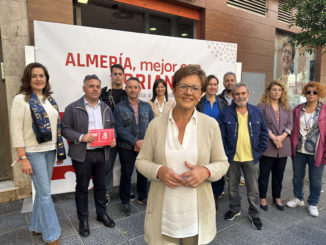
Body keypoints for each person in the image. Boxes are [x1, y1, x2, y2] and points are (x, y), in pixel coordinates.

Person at [136, 65, 229, 245]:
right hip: (164, 217)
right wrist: (158, 170)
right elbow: (141, 161)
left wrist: (206, 172)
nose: (188, 92)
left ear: (202, 93)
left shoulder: (210, 125)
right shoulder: (156, 125)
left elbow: (222, 163)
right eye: (183, 86)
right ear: (174, 89)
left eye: (195, 88)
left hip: (196, 217)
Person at [10, 62, 66, 245]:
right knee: (44, 194)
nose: (39, 79)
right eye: (34, 76)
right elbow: (16, 131)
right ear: (28, 78)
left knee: (43, 192)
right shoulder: (21, 99)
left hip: (50, 150)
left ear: (46, 78)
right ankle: (52, 235)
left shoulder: (50, 100)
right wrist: (23, 158)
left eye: (42, 75)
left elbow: (57, 126)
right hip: (33, 153)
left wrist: (58, 150)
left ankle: (36, 225)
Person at [62, 74, 116, 237]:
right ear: (84, 88)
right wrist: (81, 137)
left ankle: (101, 214)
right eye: (91, 86)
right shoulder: (73, 107)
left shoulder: (105, 108)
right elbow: (65, 129)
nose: (95, 89)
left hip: (102, 154)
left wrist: (113, 139)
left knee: (100, 186)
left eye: (98, 86)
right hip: (82, 154)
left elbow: (112, 126)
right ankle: (83, 220)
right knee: (82, 188)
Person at [218, 82, 268, 230]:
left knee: (253, 189)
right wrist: (226, 154)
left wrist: (258, 153)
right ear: (232, 96)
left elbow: (264, 133)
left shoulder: (256, 111)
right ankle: (234, 209)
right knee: (232, 187)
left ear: (248, 94)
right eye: (237, 94)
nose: (240, 96)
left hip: (251, 158)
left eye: (243, 93)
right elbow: (220, 136)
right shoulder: (226, 112)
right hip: (232, 158)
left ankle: (254, 213)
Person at [113, 77, 154, 216]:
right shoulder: (119, 108)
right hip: (126, 146)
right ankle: (125, 201)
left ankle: (143, 197)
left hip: (144, 146)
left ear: (140, 89)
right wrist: (135, 142)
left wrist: (144, 142)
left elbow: (152, 125)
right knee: (126, 174)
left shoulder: (146, 106)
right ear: (126, 89)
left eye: (135, 87)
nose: (133, 90)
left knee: (143, 172)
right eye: (130, 87)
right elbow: (119, 128)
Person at [286, 82, 326, 217]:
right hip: (299, 150)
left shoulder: (324, 111)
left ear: (319, 94)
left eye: (315, 92)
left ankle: (313, 203)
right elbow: (291, 127)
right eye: (308, 92)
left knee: (315, 179)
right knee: (297, 177)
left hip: (317, 151)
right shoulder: (297, 109)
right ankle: (298, 198)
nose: (311, 94)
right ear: (305, 93)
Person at [257, 80, 293, 211]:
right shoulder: (261, 107)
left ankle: (277, 197)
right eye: (274, 89)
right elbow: (261, 124)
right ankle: (262, 197)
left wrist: (281, 137)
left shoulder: (287, 106)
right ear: (269, 91)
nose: (276, 92)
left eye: (279, 90)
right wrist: (274, 138)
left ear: (282, 92)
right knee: (264, 174)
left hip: (283, 146)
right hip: (268, 145)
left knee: (279, 174)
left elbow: (290, 124)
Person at [196, 74, 228, 207]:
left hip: (219, 140)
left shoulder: (223, 103)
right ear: (205, 86)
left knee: (217, 166)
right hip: (203, 140)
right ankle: (204, 192)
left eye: (215, 84)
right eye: (210, 84)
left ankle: (216, 194)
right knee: (204, 166)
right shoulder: (199, 102)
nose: (212, 87)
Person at [100, 64, 128, 203]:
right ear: (111, 76)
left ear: (124, 76)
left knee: (126, 166)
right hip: (109, 135)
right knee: (108, 165)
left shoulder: (128, 93)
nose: (117, 76)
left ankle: (125, 192)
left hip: (125, 135)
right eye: (115, 74)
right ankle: (106, 192)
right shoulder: (103, 93)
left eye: (120, 74)